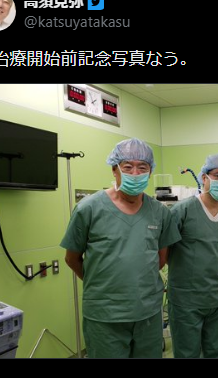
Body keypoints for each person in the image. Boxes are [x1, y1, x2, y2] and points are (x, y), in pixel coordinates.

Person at [61, 139, 181, 359]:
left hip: (147, 312)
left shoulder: (160, 212)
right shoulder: (88, 209)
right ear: (114, 169)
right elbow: (72, 258)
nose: (135, 173)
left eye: (142, 167)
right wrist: (103, 283)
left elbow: (161, 259)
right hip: (104, 315)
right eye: (127, 167)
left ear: (150, 172)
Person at [165, 153, 218, 358]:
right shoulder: (182, 211)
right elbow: (165, 249)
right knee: (186, 353)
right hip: (185, 300)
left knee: (215, 351)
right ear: (204, 177)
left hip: (216, 298)